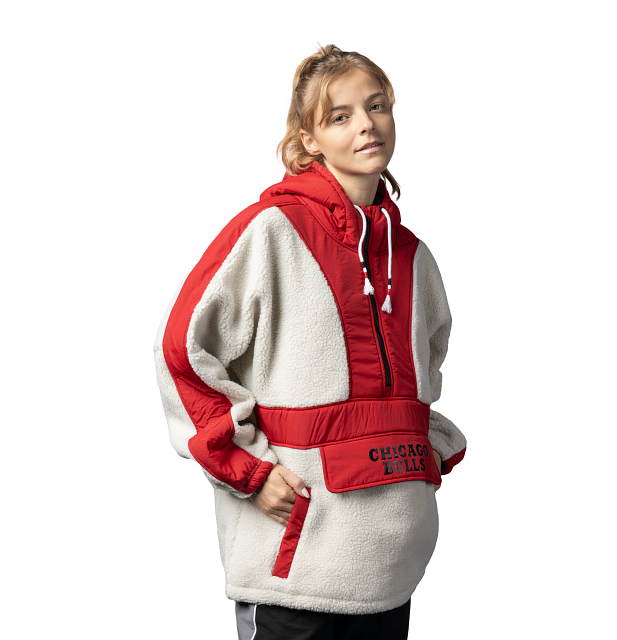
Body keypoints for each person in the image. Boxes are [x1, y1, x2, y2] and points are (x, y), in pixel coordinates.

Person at [154, 44, 467, 640]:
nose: (366, 124)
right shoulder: (270, 232)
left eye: (377, 106)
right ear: (310, 139)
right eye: (340, 116)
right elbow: (182, 352)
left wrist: (423, 448)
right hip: (297, 572)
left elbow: (423, 376)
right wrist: (247, 468)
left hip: (394, 568)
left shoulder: (414, 256)